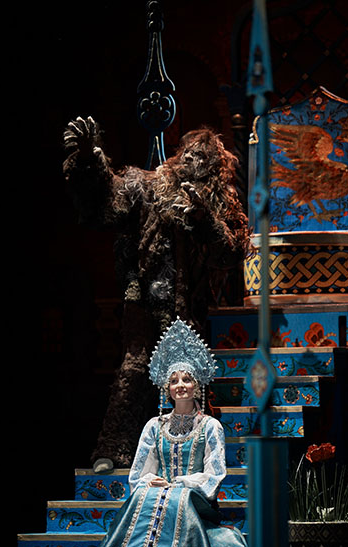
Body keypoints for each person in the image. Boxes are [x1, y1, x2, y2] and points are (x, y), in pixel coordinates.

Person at [63, 117, 250, 473]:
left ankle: (191, 453)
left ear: (213, 168)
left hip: (186, 306)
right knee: (133, 369)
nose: (192, 160)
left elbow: (231, 251)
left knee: (185, 378)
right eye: (189, 153)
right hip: (144, 297)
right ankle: (113, 448)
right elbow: (109, 201)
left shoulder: (217, 202)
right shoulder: (151, 185)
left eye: (202, 157)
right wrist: (90, 159)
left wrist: (204, 220)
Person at [66, 317, 248, 547]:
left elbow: (214, 475)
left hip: (195, 501)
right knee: (145, 494)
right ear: (166, 387)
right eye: (174, 380)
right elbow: (138, 474)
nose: (180, 386)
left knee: (176, 497)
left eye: (186, 379)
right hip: (159, 498)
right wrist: (151, 482)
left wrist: (178, 483)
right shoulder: (154, 426)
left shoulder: (210, 426)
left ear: (197, 384)